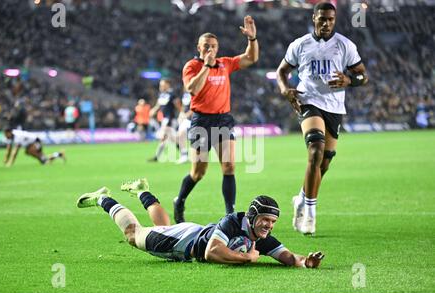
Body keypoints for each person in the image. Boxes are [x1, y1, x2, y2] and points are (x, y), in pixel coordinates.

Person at [76, 178, 325, 267]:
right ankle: (104, 199)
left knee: (161, 225)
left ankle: (142, 191)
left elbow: (289, 257)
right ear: (252, 215)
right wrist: (247, 258)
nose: (269, 226)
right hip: (185, 243)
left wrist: (306, 262)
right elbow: (211, 252)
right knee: (133, 234)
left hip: (192, 232)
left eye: (273, 222)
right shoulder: (232, 222)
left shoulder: (261, 237)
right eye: (265, 220)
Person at [276, 2, 368, 235]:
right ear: (314, 18)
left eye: (331, 20)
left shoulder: (345, 45)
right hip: (308, 102)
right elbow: (282, 72)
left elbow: (363, 76)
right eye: (322, 19)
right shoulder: (300, 45)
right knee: (315, 151)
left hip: (335, 108)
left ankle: (301, 198)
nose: (326, 23)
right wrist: (285, 89)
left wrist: (349, 80)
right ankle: (310, 214)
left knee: (324, 163)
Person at [174, 15, 259, 223]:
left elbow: (251, 58)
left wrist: (252, 39)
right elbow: (192, 88)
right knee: (198, 172)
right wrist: (206, 66)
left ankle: (230, 214)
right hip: (201, 121)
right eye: (206, 46)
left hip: (223, 120)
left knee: (229, 166)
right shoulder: (192, 66)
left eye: (213, 46)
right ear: (199, 47)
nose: (210, 49)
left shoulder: (225, 64)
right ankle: (180, 200)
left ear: (218, 47)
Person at [148, 79, 180, 162]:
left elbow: (178, 105)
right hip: (164, 119)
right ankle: (184, 153)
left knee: (164, 137)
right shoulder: (162, 95)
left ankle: (157, 156)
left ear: (168, 85)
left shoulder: (172, 94)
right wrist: (153, 110)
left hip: (170, 119)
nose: (160, 87)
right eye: (160, 85)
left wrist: (181, 114)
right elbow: (158, 105)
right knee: (172, 138)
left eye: (162, 85)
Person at [175, 91, 193, 164]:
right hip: (186, 119)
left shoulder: (195, 92)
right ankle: (184, 155)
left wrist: (187, 114)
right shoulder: (185, 94)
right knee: (178, 136)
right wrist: (181, 114)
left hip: (195, 118)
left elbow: (197, 105)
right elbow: (183, 106)